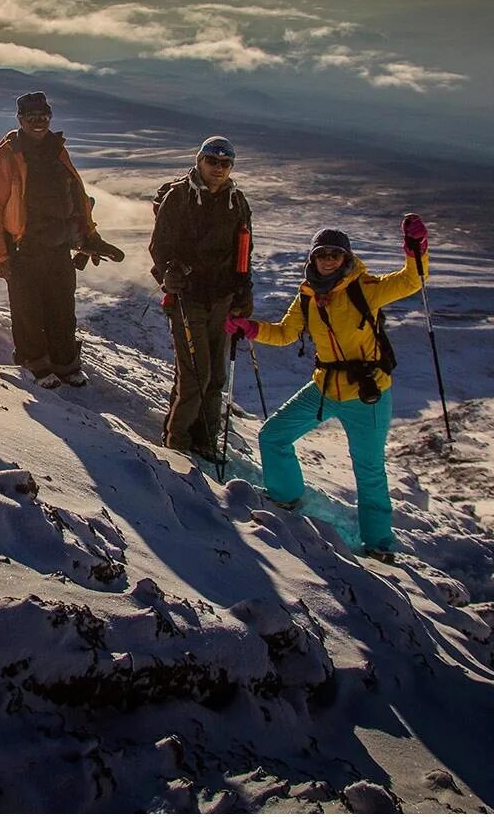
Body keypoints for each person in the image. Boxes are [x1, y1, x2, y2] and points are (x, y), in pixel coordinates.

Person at [230, 216, 429, 562]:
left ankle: (379, 545)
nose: (329, 260)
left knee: (368, 472)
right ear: (313, 258)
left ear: (346, 258)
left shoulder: (364, 287)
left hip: (367, 394)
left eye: (336, 254)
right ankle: (286, 495)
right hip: (324, 388)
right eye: (323, 254)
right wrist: (251, 329)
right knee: (273, 435)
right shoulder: (307, 296)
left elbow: (412, 280)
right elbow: (285, 333)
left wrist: (417, 250)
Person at [0, 92, 122, 389]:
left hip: (58, 248)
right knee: (28, 311)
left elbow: (77, 199)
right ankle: (36, 364)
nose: (38, 122)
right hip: (22, 249)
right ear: (20, 119)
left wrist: (89, 237)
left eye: (43, 116)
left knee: (61, 309)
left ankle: (66, 363)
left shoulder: (58, 152)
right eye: (31, 117)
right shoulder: (6, 159)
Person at [149, 136, 254, 463]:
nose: (219, 168)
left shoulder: (237, 202)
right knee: (196, 375)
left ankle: (205, 439)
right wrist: (167, 274)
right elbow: (160, 246)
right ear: (200, 161)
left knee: (215, 377)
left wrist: (244, 290)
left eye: (226, 163)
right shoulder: (179, 198)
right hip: (188, 298)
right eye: (213, 161)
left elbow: (244, 249)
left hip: (222, 298)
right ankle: (176, 445)